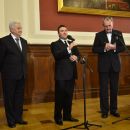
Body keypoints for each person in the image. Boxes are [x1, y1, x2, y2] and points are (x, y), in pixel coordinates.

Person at [92, 16, 125, 118]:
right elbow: (94, 49)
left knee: (114, 89)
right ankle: (104, 111)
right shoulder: (99, 35)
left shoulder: (118, 33)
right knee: (104, 89)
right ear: (103, 26)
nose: (108, 28)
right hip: (103, 66)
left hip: (115, 66)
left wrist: (115, 47)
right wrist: (104, 48)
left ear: (112, 24)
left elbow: (123, 47)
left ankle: (114, 109)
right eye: (106, 26)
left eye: (109, 25)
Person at [50, 25, 80, 125]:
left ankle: (67, 116)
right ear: (58, 33)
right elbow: (57, 56)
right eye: (62, 31)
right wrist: (69, 48)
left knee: (69, 97)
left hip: (71, 74)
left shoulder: (72, 43)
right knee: (60, 97)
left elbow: (78, 54)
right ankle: (58, 117)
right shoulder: (54, 44)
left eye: (66, 30)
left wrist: (76, 57)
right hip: (61, 75)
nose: (64, 32)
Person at [0, 21, 28, 128]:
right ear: (11, 29)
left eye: (21, 28)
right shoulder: (3, 41)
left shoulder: (24, 41)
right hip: (9, 76)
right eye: (18, 28)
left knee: (19, 98)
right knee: (9, 99)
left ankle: (18, 118)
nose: (20, 30)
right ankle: (11, 120)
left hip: (22, 75)